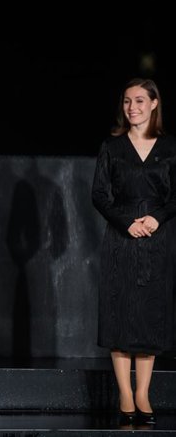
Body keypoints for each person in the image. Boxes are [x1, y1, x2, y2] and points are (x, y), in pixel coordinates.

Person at [91, 78, 176, 427]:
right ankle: (125, 392)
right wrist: (127, 222)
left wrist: (157, 217)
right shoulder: (112, 147)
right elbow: (100, 195)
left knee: (148, 315)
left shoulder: (170, 146)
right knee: (119, 312)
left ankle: (143, 393)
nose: (132, 107)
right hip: (120, 239)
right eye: (127, 101)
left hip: (156, 241)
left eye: (140, 100)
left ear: (154, 103)